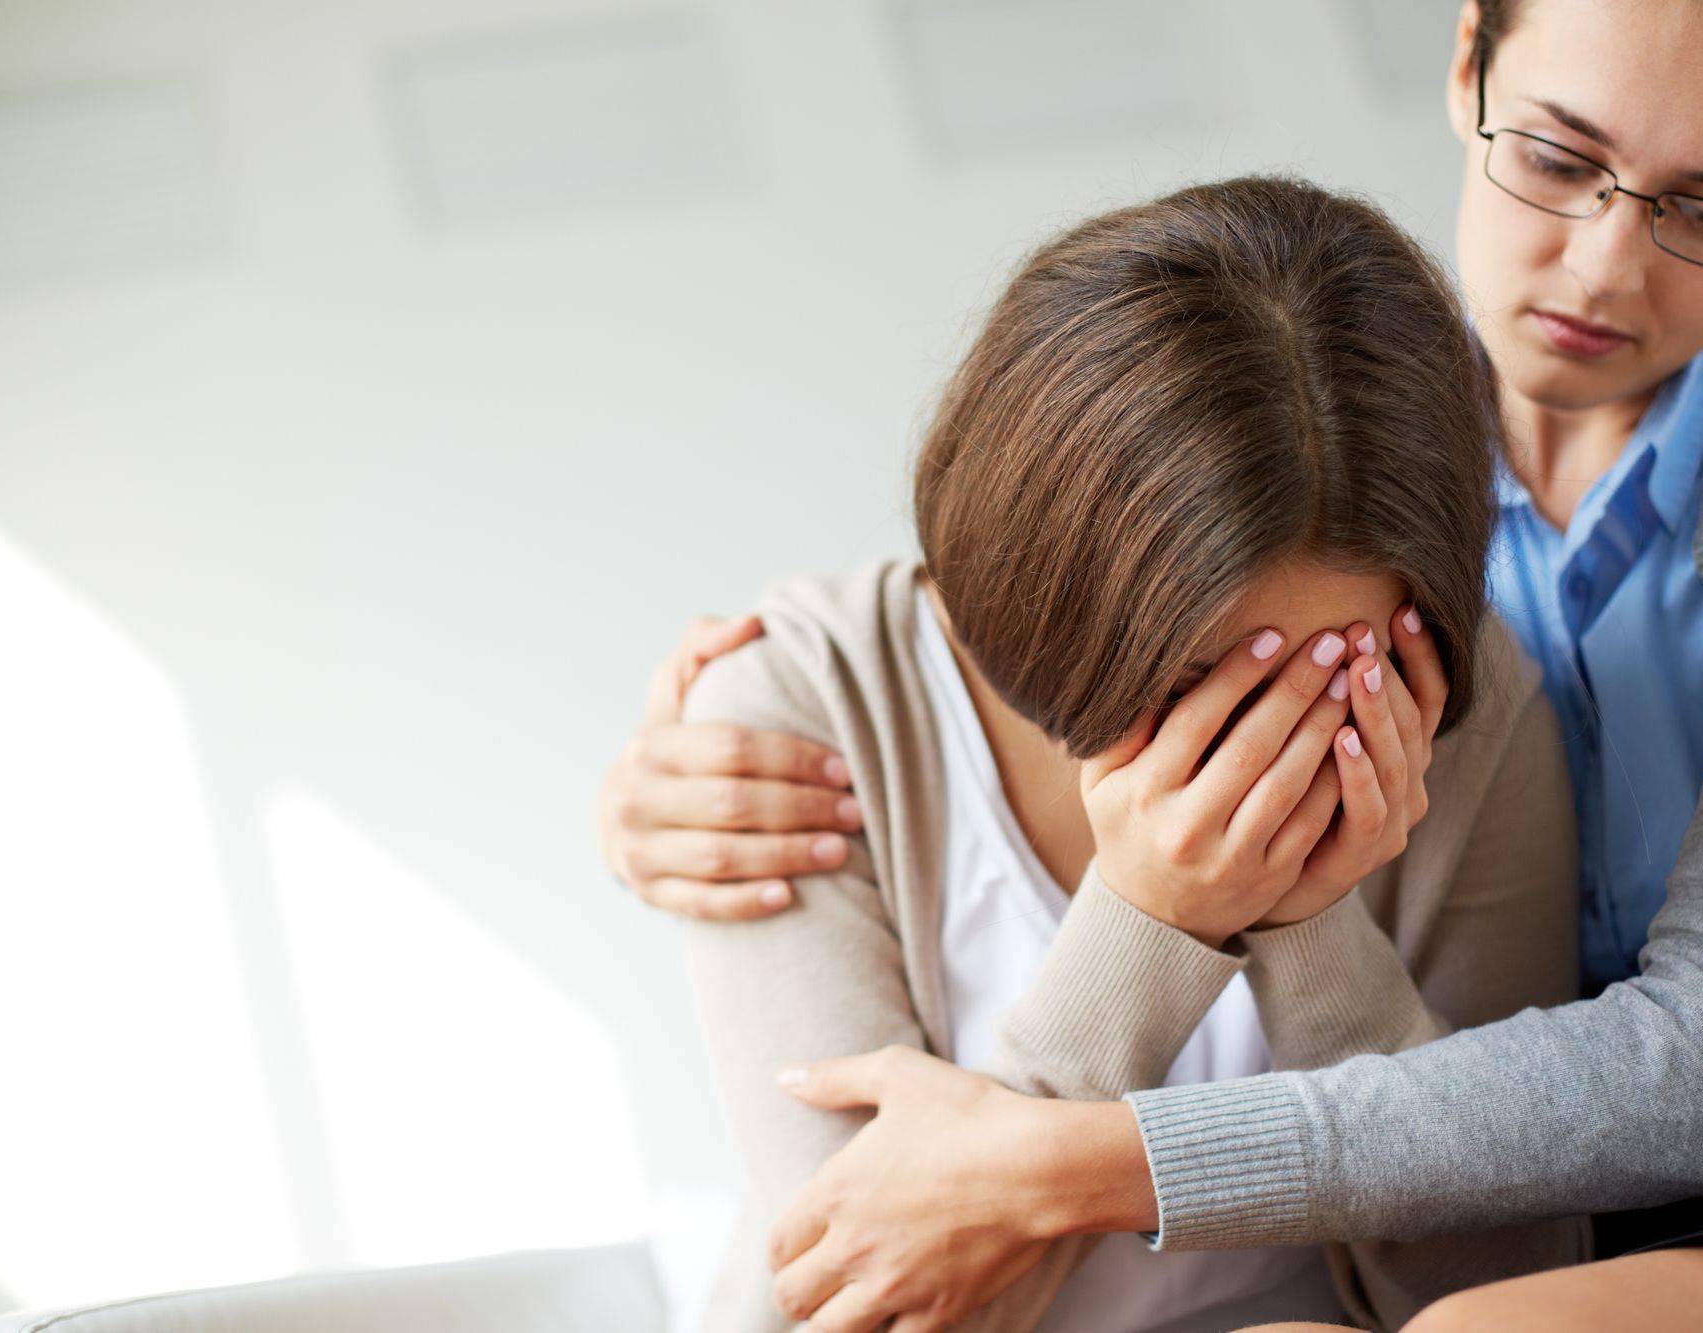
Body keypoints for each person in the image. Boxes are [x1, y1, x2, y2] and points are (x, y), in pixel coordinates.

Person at [606, 0, 1703, 1328]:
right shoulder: (1324, 429)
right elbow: (861, 1274)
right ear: (1468, 62)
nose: (1601, 270)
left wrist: (1108, 1096)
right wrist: (642, 804)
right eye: (1550, 156)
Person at [678, 175, 1583, 1333]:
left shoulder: (1458, 701)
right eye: (1207, 685)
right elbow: (864, 1302)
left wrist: (1305, 919)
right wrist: (1152, 919)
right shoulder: (796, 703)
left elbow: (1503, 1294)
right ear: (1055, 585)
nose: (1261, 753)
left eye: (1320, 687)